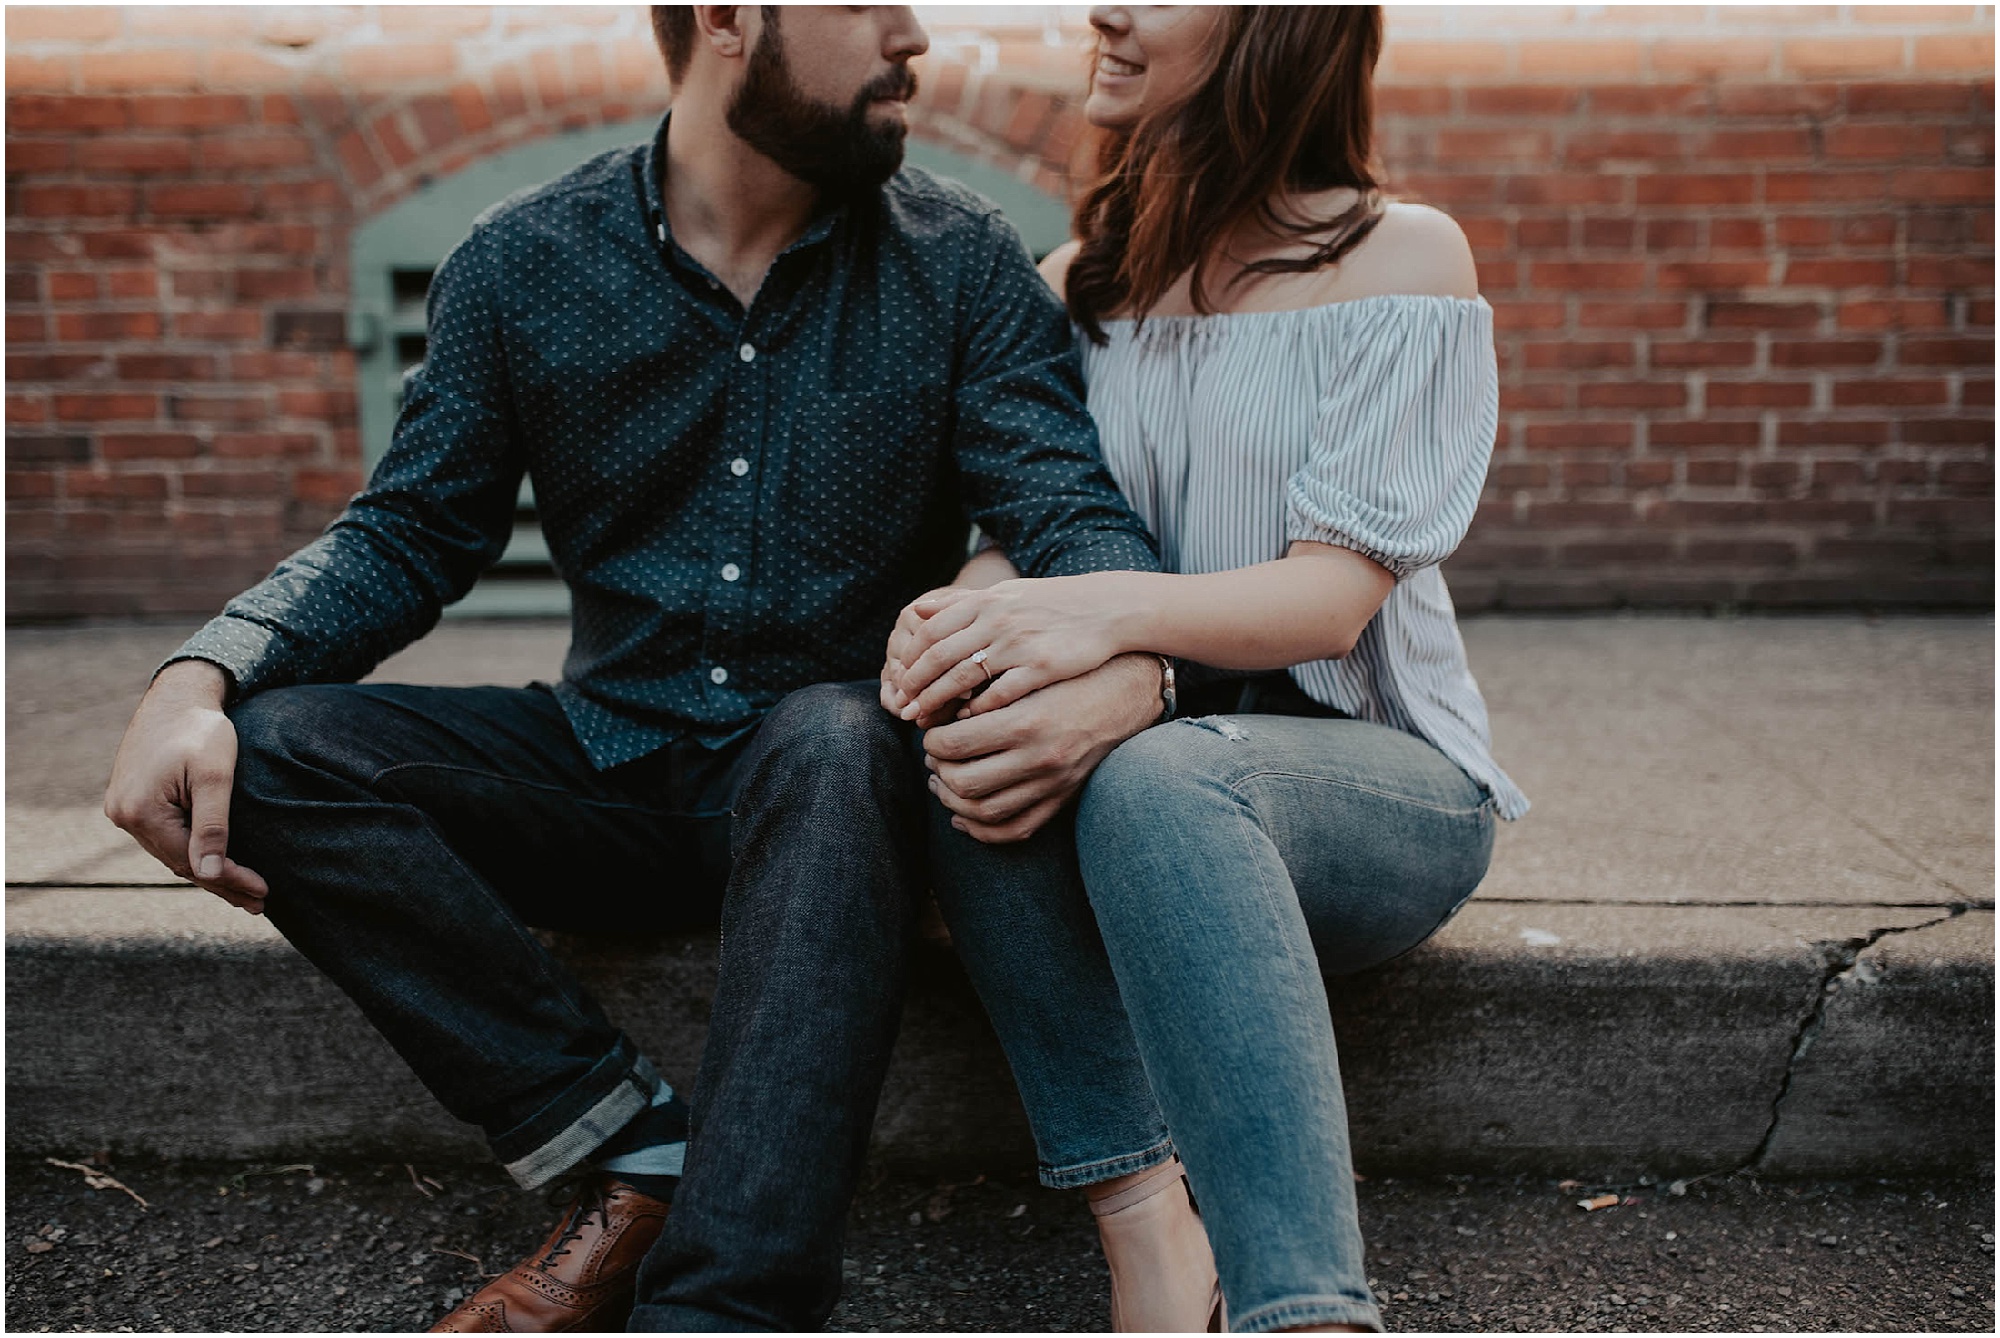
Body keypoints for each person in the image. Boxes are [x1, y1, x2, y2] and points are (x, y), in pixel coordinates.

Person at [101, 6, 1173, 1331]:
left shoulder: (959, 265)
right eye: (866, 2)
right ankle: (621, 1138)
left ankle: (725, 1307)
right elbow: (411, 531)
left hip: (833, 798)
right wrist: (199, 673)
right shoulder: (525, 261)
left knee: (837, 735)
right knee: (270, 749)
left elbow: (1078, 522)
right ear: (730, 20)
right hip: (608, 761)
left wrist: (1093, 637)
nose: (914, 36)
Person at [884, 6, 1528, 1332]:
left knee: (1169, 781)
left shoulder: (1399, 256)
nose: (1104, 12)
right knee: (970, 728)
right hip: (1150, 763)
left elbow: (1330, 600)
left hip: (1379, 789)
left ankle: (1306, 1310)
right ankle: (1147, 1232)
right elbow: (1029, 530)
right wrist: (965, 620)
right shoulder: (1081, 282)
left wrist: (1099, 621)